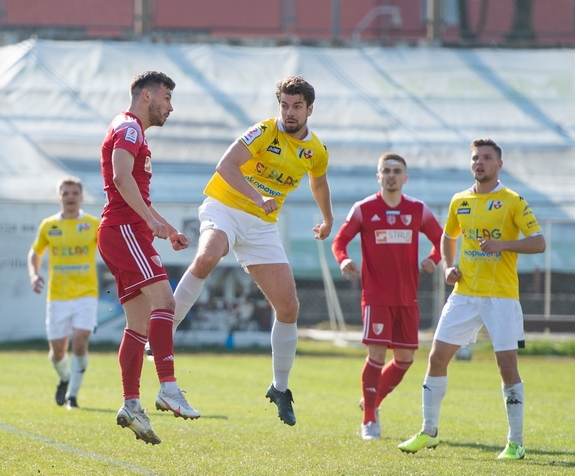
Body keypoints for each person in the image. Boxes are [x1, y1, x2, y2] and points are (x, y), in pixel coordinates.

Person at [171, 75, 334, 427]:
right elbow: (225, 166)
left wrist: (328, 219)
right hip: (226, 207)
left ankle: (280, 387)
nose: (289, 113)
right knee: (208, 255)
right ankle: (164, 330)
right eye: (284, 106)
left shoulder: (316, 151)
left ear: (310, 109)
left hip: (260, 225)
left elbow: (318, 182)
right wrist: (257, 197)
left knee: (288, 307)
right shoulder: (263, 131)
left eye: (296, 107)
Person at [398, 138, 546, 461]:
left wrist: (503, 244)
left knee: (506, 366)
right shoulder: (459, 201)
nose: (480, 162)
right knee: (437, 357)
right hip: (464, 294)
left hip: (501, 298)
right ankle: (429, 431)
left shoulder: (512, 201)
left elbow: (539, 243)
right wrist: (449, 266)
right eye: (476, 157)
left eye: (487, 158)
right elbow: (448, 236)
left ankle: (516, 443)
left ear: (499, 165)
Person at [98, 70, 198, 445]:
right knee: (166, 301)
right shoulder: (129, 128)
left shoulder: (128, 129)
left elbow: (134, 189)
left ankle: (131, 404)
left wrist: (165, 227)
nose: (170, 107)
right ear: (146, 97)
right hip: (124, 230)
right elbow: (122, 180)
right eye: (167, 98)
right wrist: (148, 220)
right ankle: (169, 387)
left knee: (137, 326)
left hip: (125, 231)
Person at [331, 153, 443, 441]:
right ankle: (370, 420)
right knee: (377, 356)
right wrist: (343, 260)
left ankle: (372, 401)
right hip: (376, 296)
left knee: (405, 359)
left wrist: (434, 258)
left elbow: (442, 239)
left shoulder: (417, 209)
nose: (391, 175)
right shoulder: (364, 209)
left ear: (405, 178)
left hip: (408, 297)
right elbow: (340, 240)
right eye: (386, 170)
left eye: (397, 171)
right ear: (378, 176)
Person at [28, 176, 100, 410]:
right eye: (65, 193)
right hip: (57, 296)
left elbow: (109, 248)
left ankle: (73, 396)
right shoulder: (49, 225)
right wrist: (34, 274)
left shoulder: (93, 224)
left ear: (81, 196)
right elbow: (35, 252)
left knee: (80, 342)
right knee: (57, 352)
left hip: (86, 294)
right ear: (59, 197)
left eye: (74, 193)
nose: (70, 197)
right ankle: (65, 378)